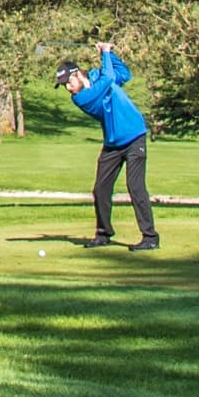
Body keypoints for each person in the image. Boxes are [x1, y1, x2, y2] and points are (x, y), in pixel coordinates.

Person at [65, 38, 157, 250]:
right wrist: (105, 53)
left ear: (78, 74)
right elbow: (108, 78)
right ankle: (103, 233)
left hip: (134, 137)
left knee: (135, 187)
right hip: (113, 143)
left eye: (69, 82)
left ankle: (150, 237)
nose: (69, 88)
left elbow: (123, 74)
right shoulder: (82, 98)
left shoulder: (98, 76)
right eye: (65, 86)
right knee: (101, 189)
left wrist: (110, 55)